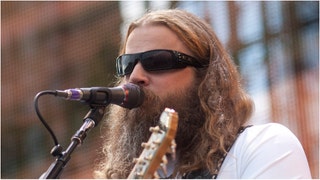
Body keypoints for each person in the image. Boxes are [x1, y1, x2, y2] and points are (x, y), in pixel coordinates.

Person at [93, 9, 311, 179]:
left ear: (205, 76)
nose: (135, 77)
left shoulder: (262, 146)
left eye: (157, 61)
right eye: (128, 65)